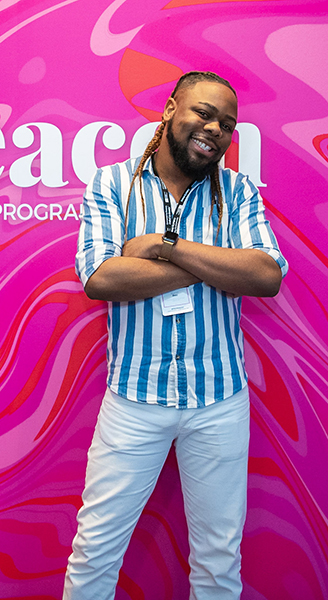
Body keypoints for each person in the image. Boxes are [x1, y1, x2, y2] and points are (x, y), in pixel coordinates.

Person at [64, 71, 288, 600]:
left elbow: (266, 275)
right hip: (134, 400)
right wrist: (217, 263)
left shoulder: (237, 191)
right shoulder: (110, 184)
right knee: (95, 550)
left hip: (219, 400)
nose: (214, 129)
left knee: (217, 558)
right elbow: (101, 278)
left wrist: (164, 246)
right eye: (203, 113)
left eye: (227, 124)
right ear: (170, 109)